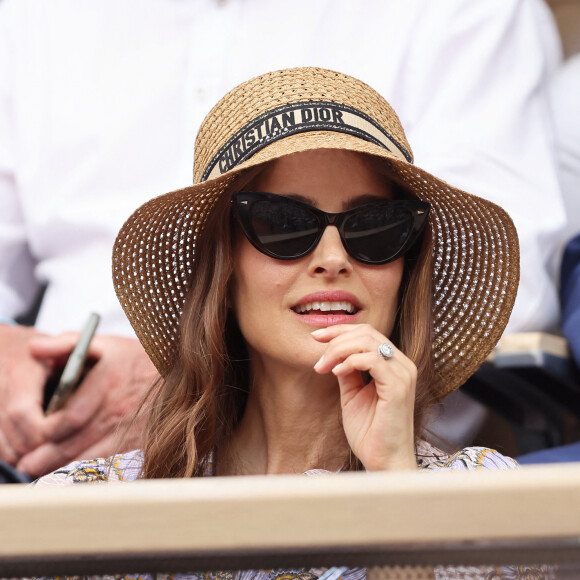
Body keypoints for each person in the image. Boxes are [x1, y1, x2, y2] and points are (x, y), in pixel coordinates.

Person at [0, 0, 564, 478]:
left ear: (408, 261)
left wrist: (397, 485)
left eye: (377, 229)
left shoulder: (476, 488)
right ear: (218, 270)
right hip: (32, 447)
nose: (333, 257)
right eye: (281, 224)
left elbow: (520, 299)